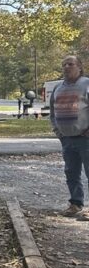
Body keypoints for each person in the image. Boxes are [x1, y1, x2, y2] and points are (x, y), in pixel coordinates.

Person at [49, 54, 89, 218]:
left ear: (79, 67)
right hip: (66, 139)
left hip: (85, 138)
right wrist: (57, 131)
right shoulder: (58, 88)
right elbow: (52, 111)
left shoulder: (86, 84)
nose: (66, 67)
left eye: (70, 64)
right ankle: (75, 203)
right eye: (64, 64)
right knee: (71, 173)